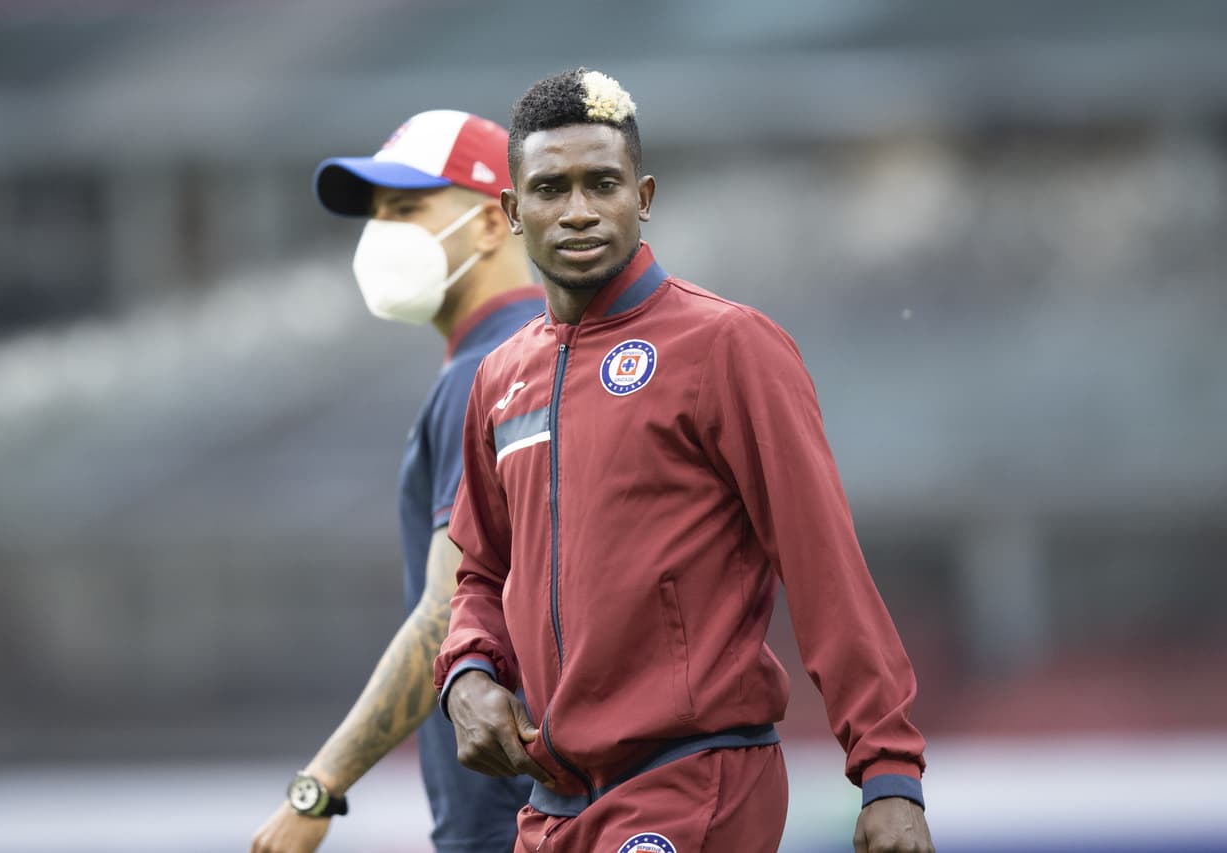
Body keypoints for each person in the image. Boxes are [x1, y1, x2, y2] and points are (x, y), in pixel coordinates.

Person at [432, 70, 935, 853]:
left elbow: (823, 564)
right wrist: (465, 672)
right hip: (553, 806)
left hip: (693, 781)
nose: (578, 211)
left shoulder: (727, 346)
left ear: (645, 195)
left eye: (603, 183)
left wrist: (888, 768)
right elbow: (481, 576)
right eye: (550, 188)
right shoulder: (501, 378)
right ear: (511, 211)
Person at [251, 109, 545, 853]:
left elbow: (446, 613)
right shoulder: (539, 351)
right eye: (377, 214)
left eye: (408, 209)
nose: (381, 233)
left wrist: (318, 787)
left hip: (510, 818)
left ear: (488, 225)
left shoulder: (487, 371)